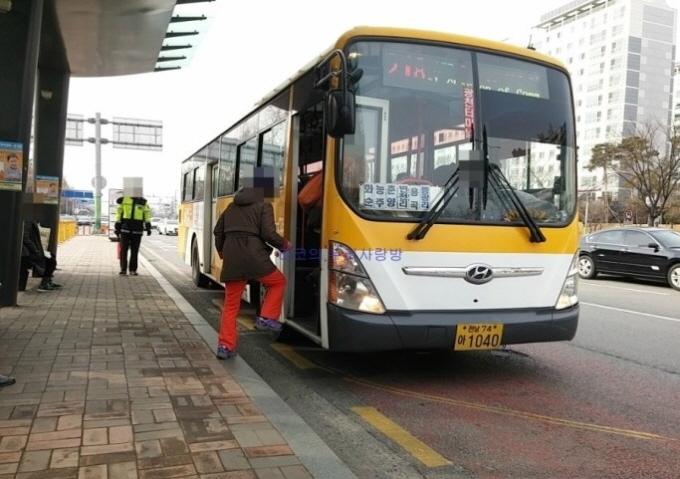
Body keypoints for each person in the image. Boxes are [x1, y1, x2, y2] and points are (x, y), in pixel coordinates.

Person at [213, 172, 290, 359]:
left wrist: (222, 252)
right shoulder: (264, 205)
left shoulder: (231, 207)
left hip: (232, 257)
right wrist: (285, 245)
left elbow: (218, 232)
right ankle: (266, 317)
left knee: (231, 305)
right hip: (254, 256)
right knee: (278, 282)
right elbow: (269, 234)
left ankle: (225, 346)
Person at [115, 195, 151, 275]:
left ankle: (133, 270)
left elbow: (147, 214)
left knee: (135, 251)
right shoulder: (124, 200)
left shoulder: (143, 202)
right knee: (123, 250)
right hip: (125, 229)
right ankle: (123, 269)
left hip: (137, 230)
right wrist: (117, 225)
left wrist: (148, 226)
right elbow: (119, 212)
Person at [19, 220, 60, 292]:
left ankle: (47, 281)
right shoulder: (27, 221)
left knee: (51, 257)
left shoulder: (29, 220)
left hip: (28, 251)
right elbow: (25, 238)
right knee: (50, 261)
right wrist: (36, 250)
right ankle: (45, 283)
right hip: (27, 253)